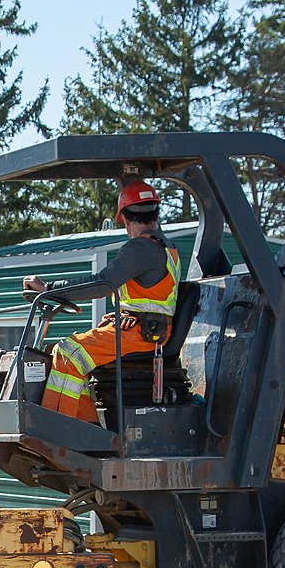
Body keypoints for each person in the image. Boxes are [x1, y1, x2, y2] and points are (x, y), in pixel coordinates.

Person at [21, 179, 182, 423]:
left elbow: (101, 283)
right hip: (144, 330)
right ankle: (90, 427)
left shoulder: (141, 248)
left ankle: (53, 429)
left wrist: (48, 289)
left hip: (141, 334)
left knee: (68, 354)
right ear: (155, 214)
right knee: (68, 355)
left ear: (126, 219)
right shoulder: (164, 247)